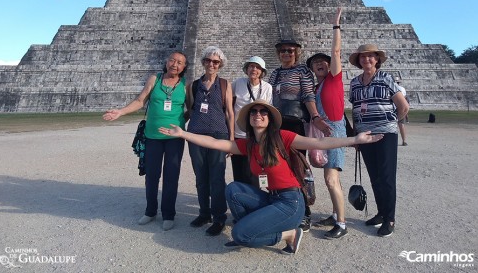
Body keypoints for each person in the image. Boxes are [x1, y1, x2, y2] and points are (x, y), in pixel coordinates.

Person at [158, 100, 383, 254]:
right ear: (249, 119)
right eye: (254, 112)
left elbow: (319, 142)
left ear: (269, 118)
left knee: (239, 234)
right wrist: (184, 133)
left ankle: (288, 235)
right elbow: (217, 143)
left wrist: (355, 140)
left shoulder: (282, 137)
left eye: (263, 112)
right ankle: (253, 227)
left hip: (290, 202)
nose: (258, 115)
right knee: (233, 189)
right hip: (272, 198)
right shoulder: (250, 145)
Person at [103, 51, 188, 231]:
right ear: (166, 62)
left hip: (174, 138)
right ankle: (150, 211)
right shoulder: (154, 80)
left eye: (180, 62)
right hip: (152, 136)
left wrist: (180, 122)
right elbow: (140, 101)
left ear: (183, 67)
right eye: (172, 60)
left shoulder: (186, 85)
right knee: (152, 175)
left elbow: (192, 109)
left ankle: (168, 213)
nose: (175, 64)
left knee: (171, 176)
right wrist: (120, 111)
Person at [268, 38, 330, 232]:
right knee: (278, 165)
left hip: (296, 123)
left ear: (297, 53)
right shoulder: (275, 73)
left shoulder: (303, 71)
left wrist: (316, 116)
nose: (286, 54)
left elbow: (308, 95)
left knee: (298, 166)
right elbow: (269, 98)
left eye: (290, 51)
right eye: (283, 51)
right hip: (277, 123)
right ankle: (282, 204)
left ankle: (304, 212)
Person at [348, 44, 410, 237]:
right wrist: (356, 136)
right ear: (359, 61)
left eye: (370, 57)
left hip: (386, 134)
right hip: (365, 135)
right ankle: (382, 213)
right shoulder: (355, 83)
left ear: (377, 60)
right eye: (363, 57)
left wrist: (391, 122)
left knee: (386, 177)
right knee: (375, 176)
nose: (366, 60)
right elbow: (355, 110)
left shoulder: (386, 79)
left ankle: (390, 218)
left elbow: (403, 106)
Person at [306, 7, 348, 239]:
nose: (320, 64)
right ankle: (335, 213)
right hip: (323, 133)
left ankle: (341, 223)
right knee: (329, 178)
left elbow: (337, 51)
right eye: (315, 63)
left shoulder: (334, 78)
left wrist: (335, 26)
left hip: (334, 130)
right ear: (312, 69)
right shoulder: (316, 86)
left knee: (331, 179)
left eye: (323, 61)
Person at [185, 46, 234, 236]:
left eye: (215, 61)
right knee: (201, 177)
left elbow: (229, 112)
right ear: (203, 62)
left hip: (218, 135)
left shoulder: (224, 84)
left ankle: (219, 216)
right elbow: (190, 110)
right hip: (196, 134)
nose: (211, 64)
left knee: (217, 178)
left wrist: (231, 138)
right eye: (208, 60)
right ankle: (204, 212)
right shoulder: (193, 85)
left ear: (220, 64)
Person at [231, 56, 273, 186]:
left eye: (257, 67)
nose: (254, 69)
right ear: (246, 69)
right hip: (239, 133)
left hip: (258, 135)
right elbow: (229, 106)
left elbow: (269, 111)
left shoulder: (267, 87)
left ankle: (255, 199)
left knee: (256, 170)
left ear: (262, 71)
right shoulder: (238, 83)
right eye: (251, 66)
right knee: (238, 170)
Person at [395, 80, 409, 146]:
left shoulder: (392, 87)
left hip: (393, 107)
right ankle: (404, 141)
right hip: (401, 107)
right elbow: (405, 98)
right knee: (401, 125)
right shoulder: (402, 89)